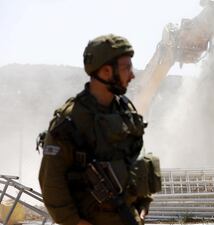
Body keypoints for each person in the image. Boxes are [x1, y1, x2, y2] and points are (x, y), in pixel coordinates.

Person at [38, 34, 153, 225]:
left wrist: (143, 204)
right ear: (106, 71)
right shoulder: (70, 120)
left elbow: (137, 159)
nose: (132, 75)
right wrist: (74, 222)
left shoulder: (126, 111)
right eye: (126, 68)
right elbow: (51, 180)